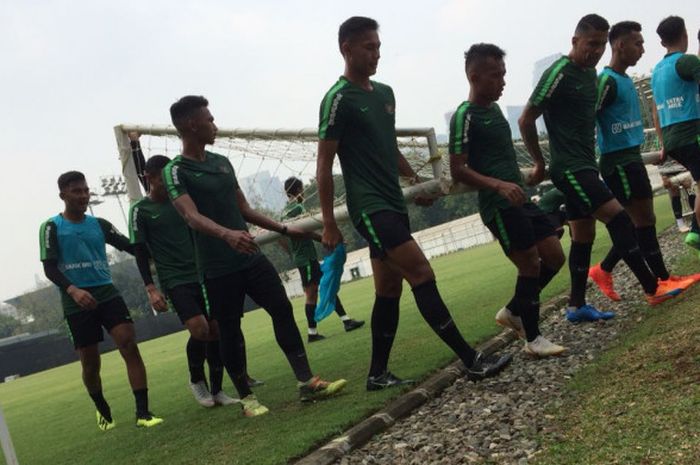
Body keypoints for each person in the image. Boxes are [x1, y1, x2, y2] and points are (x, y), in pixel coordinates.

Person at [317, 16, 512, 390]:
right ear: (347, 49)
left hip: (393, 202)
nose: (376, 54)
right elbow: (324, 164)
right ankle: (470, 360)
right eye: (368, 47)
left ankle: (377, 374)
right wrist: (329, 222)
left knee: (389, 290)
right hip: (369, 207)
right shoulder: (337, 99)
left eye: (378, 46)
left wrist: (413, 183)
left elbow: (388, 147)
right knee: (422, 274)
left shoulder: (384, 93)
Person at [164, 95, 347, 417]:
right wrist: (226, 234)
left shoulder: (222, 163)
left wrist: (284, 229)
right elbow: (190, 217)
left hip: (250, 256)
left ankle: (306, 382)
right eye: (209, 119)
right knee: (230, 329)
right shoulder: (176, 171)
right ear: (192, 124)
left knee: (281, 309)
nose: (215, 125)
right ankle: (247, 399)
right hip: (217, 267)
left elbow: (244, 209)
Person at [519, 14, 682, 324]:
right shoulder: (559, 72)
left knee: (583, 236)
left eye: (599, 45)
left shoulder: (589, 75)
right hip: (570, 168)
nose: (594, 51)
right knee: (620, 218)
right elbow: (527, 118)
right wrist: (540, 161)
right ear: (575, 41)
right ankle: (652, 286)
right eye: (590, 44)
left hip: (586, 165)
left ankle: (575, 305)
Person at [449, 43, 567, 356]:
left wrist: (522, 175)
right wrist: (498, 185)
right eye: (495, 75)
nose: (502, 82)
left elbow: (499, 156)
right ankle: (533, 339)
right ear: (474, 77)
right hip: (497, 205)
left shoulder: (496, 111)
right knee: (529, 264)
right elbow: (457, 168)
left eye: (504, 74)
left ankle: (514, 311)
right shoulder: (464, 116)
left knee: (554, 256)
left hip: (520, 198)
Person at [129, 153, 261, 409]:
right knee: (200, 329)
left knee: (216, 330)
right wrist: (151, 288)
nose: (168, 185)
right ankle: (196, 380)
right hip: (175, 278)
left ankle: (218, 389)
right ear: (149, 178)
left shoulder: (183, 202)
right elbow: (139, 252)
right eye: (161, 180)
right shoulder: (141, 211)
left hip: (202, 271)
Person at [39, 171, 162, 430]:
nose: (83, 195)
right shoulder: (51, 227)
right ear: (63, 195)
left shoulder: (100, 225)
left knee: (129, 344)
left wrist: (160, 251)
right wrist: (73, 290)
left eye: (85, 190)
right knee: (91, 363)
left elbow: (130, 246)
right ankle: (100, 406)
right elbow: (49, 268)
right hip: (76, 301)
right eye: (76, 191)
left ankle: (143, 412)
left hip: (107, 292)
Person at [588, 21, 697, 301]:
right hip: (618, 162)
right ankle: (648, 283)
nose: (642, 49)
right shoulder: (607, 80)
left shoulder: (625, 79)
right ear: (620, 45)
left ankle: (661, 278)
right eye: (637, 43)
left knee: (645, 220)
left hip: (632, 157)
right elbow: (589, 117)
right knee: (636, 223)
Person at [281, 176, 364, 342]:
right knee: (312, 294)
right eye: (302, 189)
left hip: (303, 258)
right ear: (298, 190)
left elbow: (279, 238)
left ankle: (346, 321)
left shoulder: (284, 211)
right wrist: (327, 239)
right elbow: (306, 232)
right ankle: (312, 333)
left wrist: (292, 252)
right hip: (306, 259)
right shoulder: (296, 208)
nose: (303, 192)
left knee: (328, 286)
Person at [651, 16, 700, 251]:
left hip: (671, 141)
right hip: (692, 134)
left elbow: (655, 112)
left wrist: (662, 143)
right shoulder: (687, 62)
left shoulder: (658, 71)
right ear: (685, 35)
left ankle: (695, 230)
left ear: (662, 43)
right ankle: (696, 231)